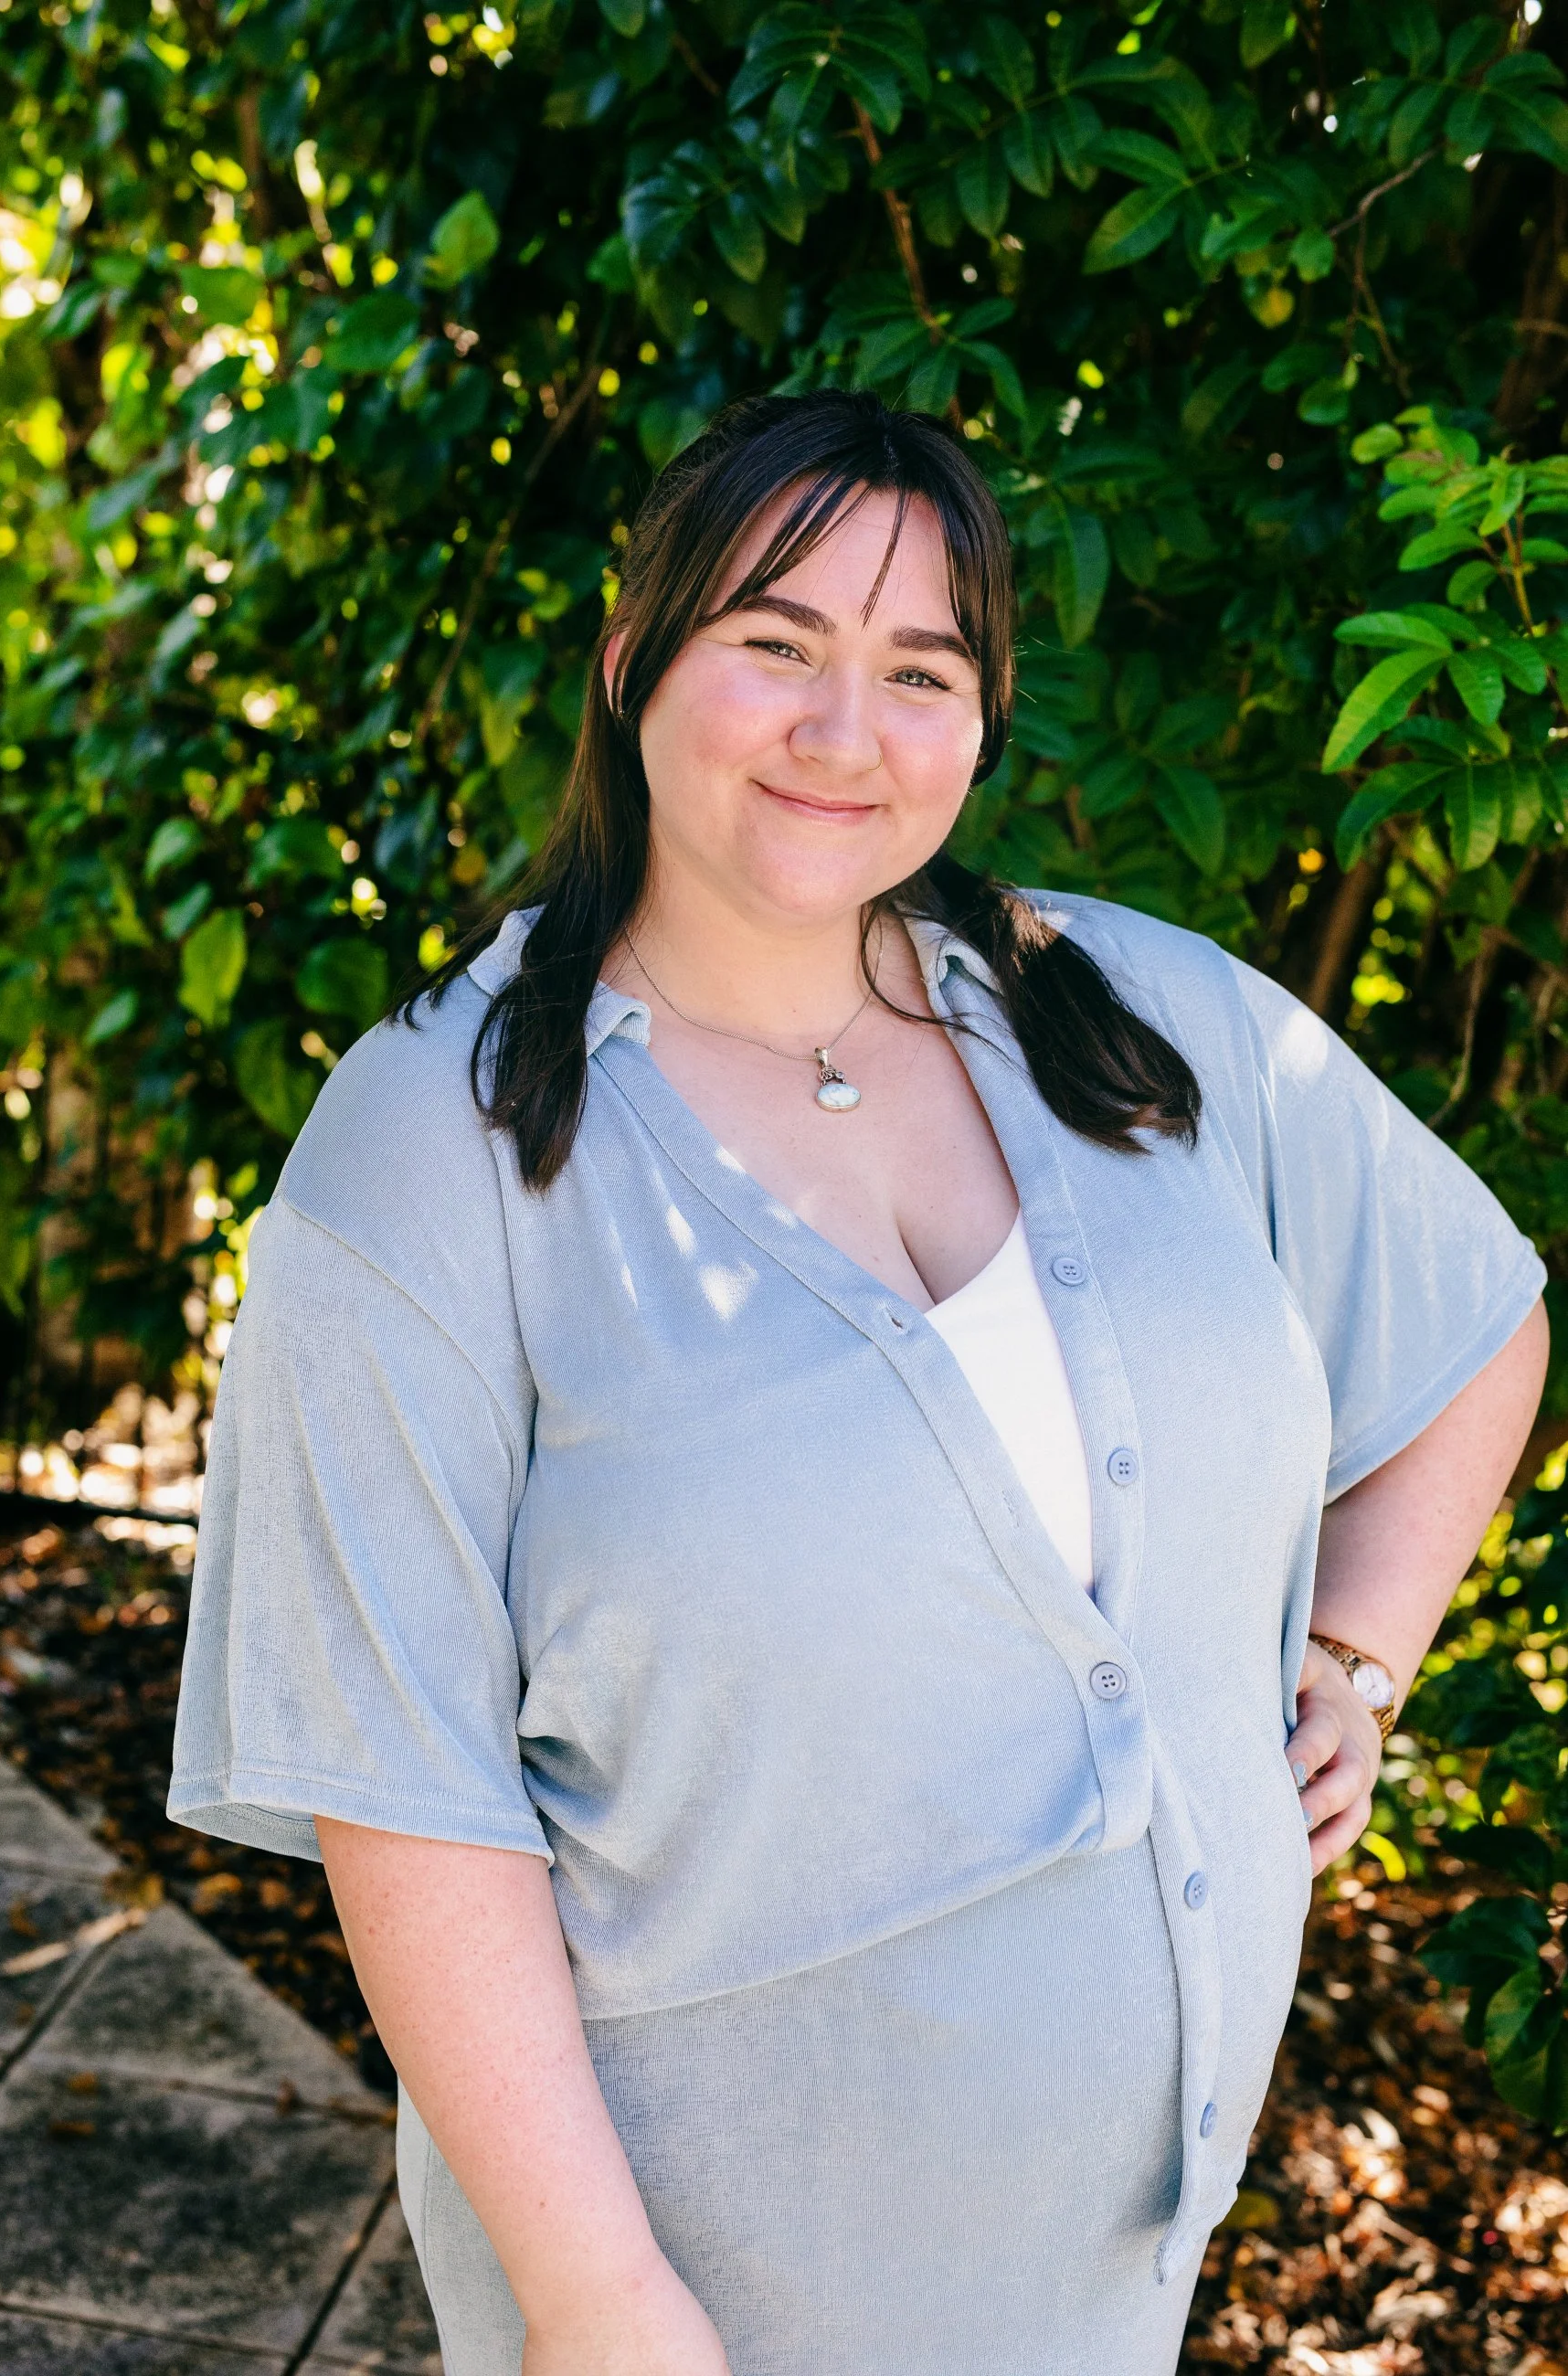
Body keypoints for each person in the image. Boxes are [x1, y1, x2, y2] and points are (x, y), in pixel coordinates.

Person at [170, 391, 1548, 2376]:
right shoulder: (431, 1146)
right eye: (775, 643)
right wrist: (596, 2302)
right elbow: (408, 1789)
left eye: (918, 670)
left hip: (1111, 2275)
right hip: (708, 2291)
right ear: (635, 659)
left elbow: (1475, 1325)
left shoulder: (1139, 1015)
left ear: (982, 719)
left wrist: (1355, 1652)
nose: (843, 732)